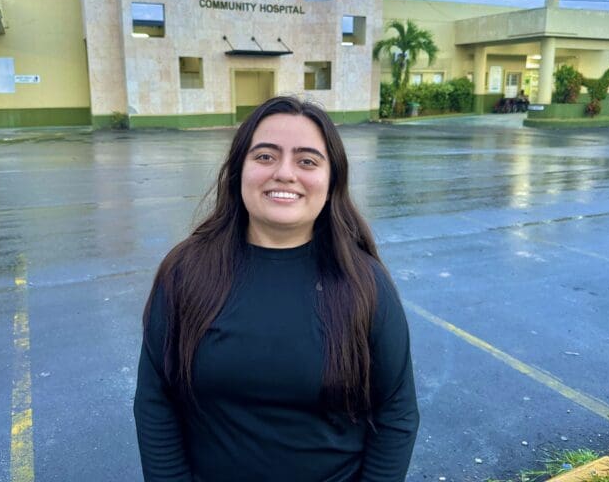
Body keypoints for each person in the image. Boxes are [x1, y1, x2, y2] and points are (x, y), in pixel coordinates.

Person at [134, 96, 419, 482]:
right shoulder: (187, 271)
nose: (285, 173)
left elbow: (396, 412)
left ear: (332, 179)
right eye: (265, 156)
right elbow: (155, 401)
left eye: (307, 161)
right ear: (239, 170)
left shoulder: (364, 284)